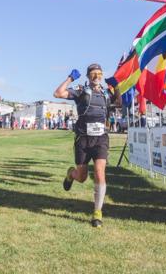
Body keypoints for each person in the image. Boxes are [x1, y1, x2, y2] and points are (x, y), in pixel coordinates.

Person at [54, 64, 117, 228]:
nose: (97, 76)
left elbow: (119, 102)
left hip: (101, 139)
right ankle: (71, 174)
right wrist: (70, 78)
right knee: (82, 177)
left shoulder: (106, 93)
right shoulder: (81, 91)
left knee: (99, 172)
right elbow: (58, 93)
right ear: (88, 76)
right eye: (93, 74)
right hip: (83, 139)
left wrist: (117, 87)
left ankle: (97, 212)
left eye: (99, 73)